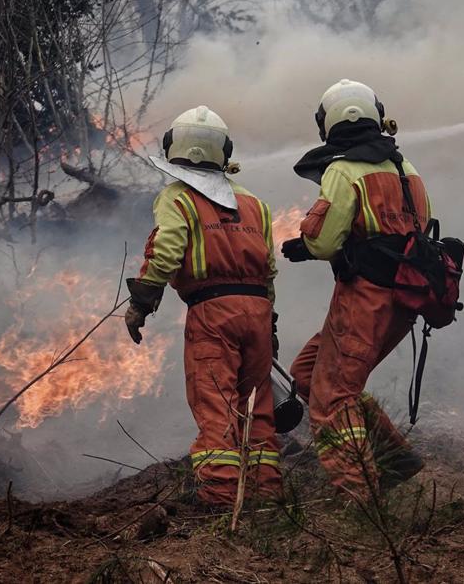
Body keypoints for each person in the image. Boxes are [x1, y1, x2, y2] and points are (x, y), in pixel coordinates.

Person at [124, 105, 282, 507]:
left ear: (173, 147)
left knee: (216, 401)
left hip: (213, 313)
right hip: (258, 312)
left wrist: (141, 302)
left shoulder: (177, 197)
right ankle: (265, 493)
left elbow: (166, 252)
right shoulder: (254, 203)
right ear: (224, 152)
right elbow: (268, 270)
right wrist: (270, 327)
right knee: (258, 404)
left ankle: (219, 495)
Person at [281, 80, 427, 500]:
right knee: (308, 373)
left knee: (331, 400)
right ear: (375, 116)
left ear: (327, 124)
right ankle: (394, 461)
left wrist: (309, 246)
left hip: (365, 301)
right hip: (403, 300)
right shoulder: (406, 169)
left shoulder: (342, 171)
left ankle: (359, 496)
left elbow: (325, 241)